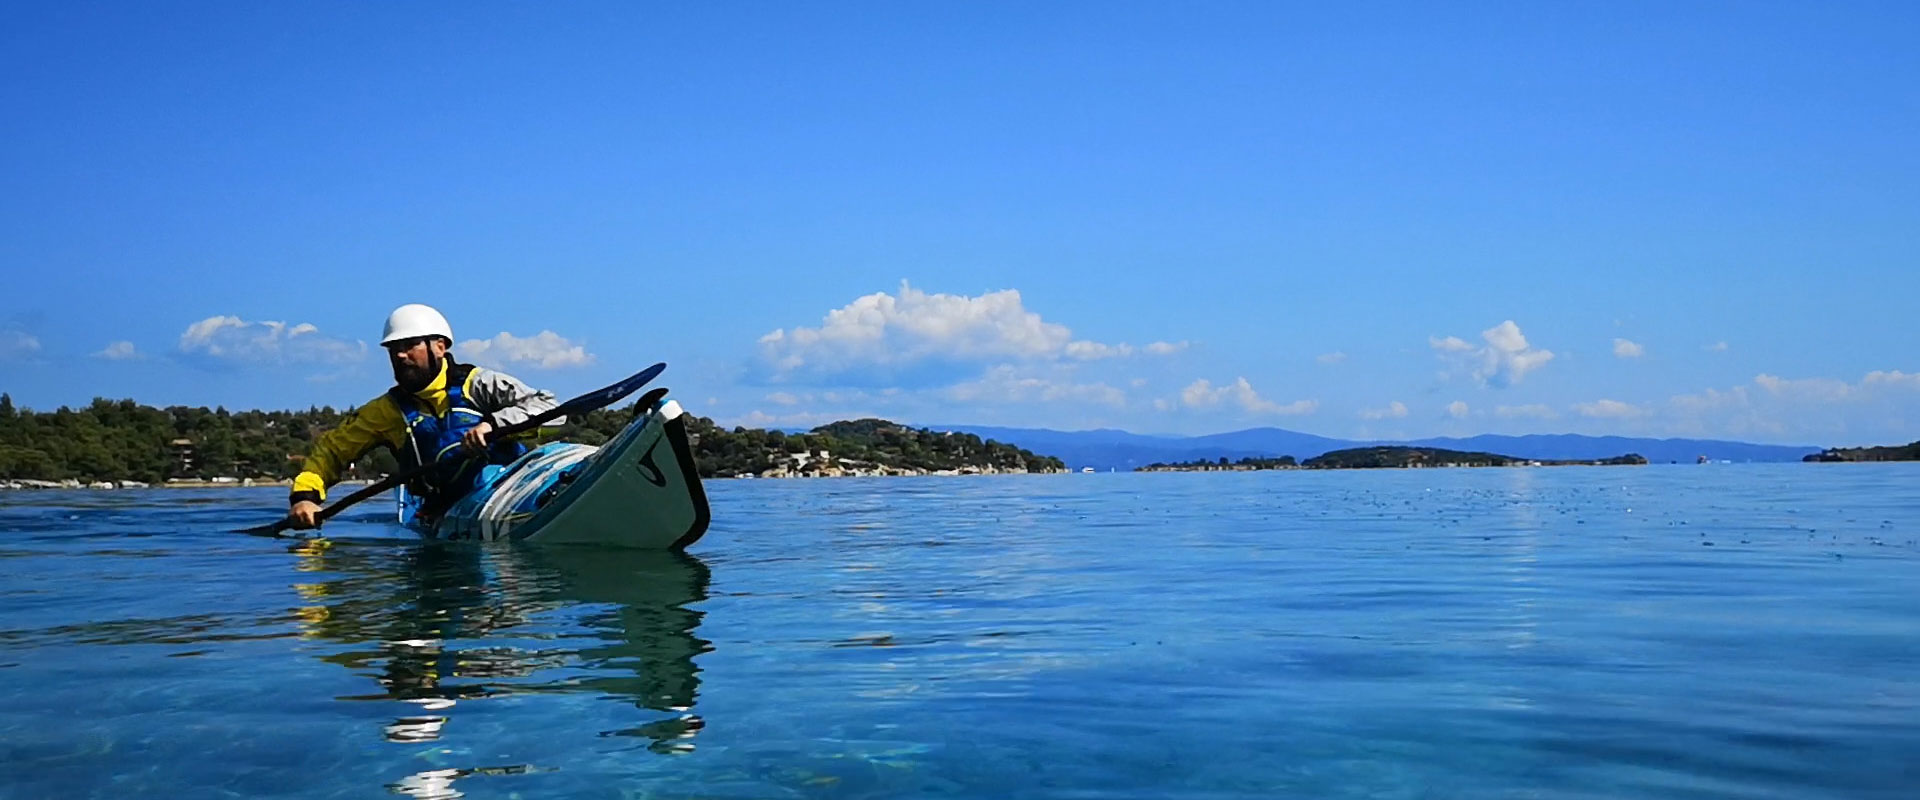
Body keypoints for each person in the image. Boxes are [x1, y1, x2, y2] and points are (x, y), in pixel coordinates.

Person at [285, 304, 562, 529]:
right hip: (448, 509)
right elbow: (330, 453)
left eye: (410, 345)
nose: (401, 355)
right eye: (394, 349)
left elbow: (551, 411)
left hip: (514, 486)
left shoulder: (480, 384)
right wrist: (305, 498)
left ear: (440, 347)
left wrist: (494, 424)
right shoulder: (384, 412)